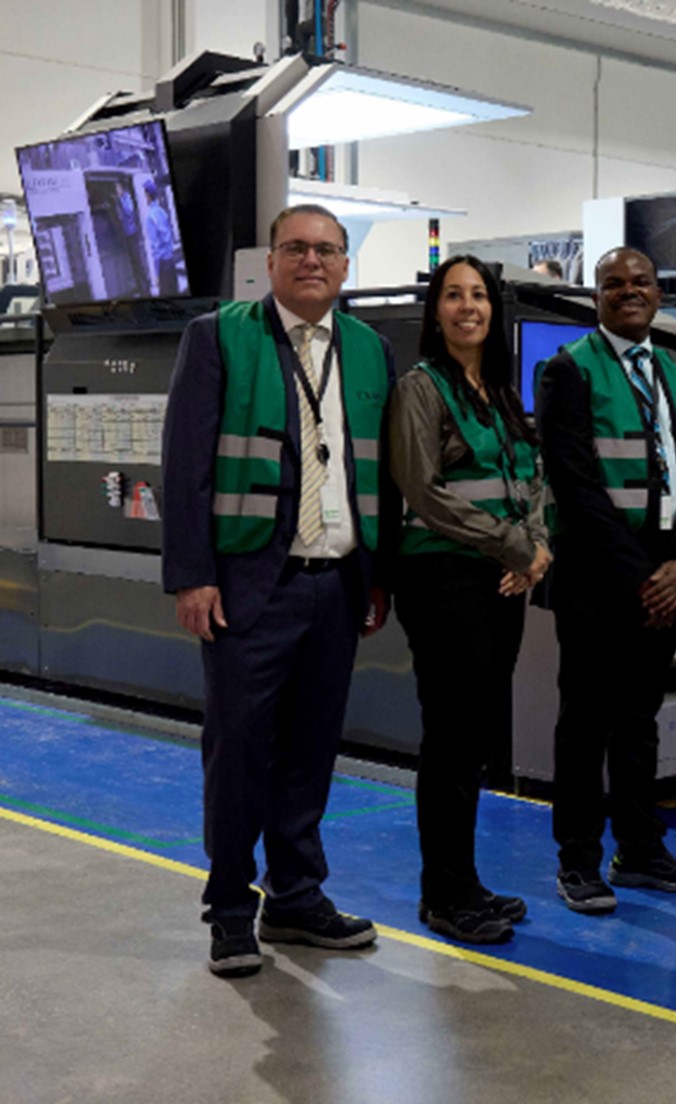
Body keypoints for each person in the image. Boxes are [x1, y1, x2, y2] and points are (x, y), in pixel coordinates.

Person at [161, 204, 394, 977]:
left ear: (345, 266)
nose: (312, 261)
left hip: (336, 586)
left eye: (327, 250)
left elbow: (380, 477)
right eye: (296, 248)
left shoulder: (368, 351)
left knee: (309, 753)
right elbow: (186, 466)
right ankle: (230, 909)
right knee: (238, 753)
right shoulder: (219, 335)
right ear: (271, 259)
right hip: (249, 586)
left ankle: (296, 896)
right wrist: (191, 574)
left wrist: (377, 577)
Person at [536, 246, 676, 913]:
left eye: (639, 282)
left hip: (665, 573)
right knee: (585, 723)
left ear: (657, 292)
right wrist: (645, 575)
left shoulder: (672, 374)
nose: (628, 292)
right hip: (597, 575)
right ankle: (577, 860)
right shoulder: (567, 372)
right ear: (596, 297)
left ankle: (640, 848)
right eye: (613, 284)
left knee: (639, 719)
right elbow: (576, 485)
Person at [388, 256, 552, 943]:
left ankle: (466, 880)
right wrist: (513, 547)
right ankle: (445, 896)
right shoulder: (420, 389)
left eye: (478, 295)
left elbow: (532, 479)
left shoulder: (501, 392)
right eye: (453, 296)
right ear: (435, 311)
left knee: (477, 737)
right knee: (453, 740)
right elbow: (424, 489)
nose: (467, 307)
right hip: (443, 579)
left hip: (500, 579)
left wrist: (533, 549)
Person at [142, 180, 182, 296]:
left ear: (148, 195)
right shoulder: (162, 212)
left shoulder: (150, 217)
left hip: (163, 265)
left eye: (145, 195)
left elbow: (155, 248)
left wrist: (157, 274)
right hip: (171, 261)